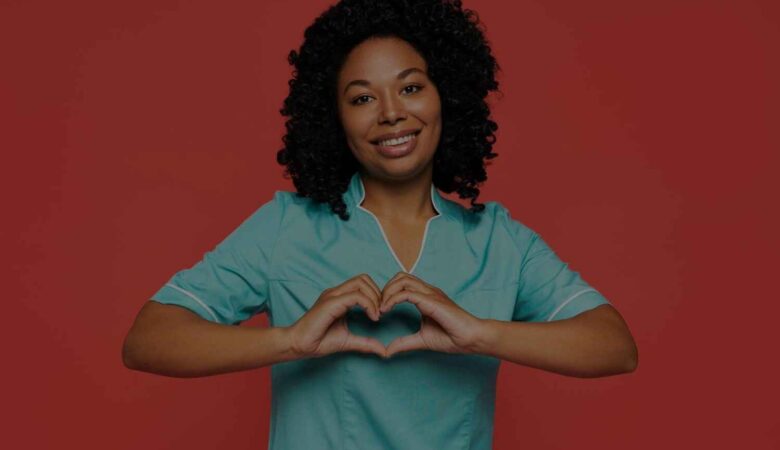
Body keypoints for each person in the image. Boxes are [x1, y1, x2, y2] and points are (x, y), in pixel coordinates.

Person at [122, 0, 638, 449]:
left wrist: (479, 333)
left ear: (447, 97)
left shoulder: (500, 241)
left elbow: (613, 346)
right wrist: (291, 342)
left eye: (411, 87)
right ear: (334, 119)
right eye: (363, 98)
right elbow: (148, 338)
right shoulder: (287, 226)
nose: (391, 113)